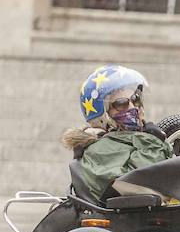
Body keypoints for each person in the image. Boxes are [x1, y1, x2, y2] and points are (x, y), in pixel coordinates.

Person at [61, 65, 173, 202]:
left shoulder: (129, 138)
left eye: (135, 99)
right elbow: (138, 181)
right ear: (103, 114)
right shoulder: (99, 150)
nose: (132, 107)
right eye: (121, 103)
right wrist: (151, 142)